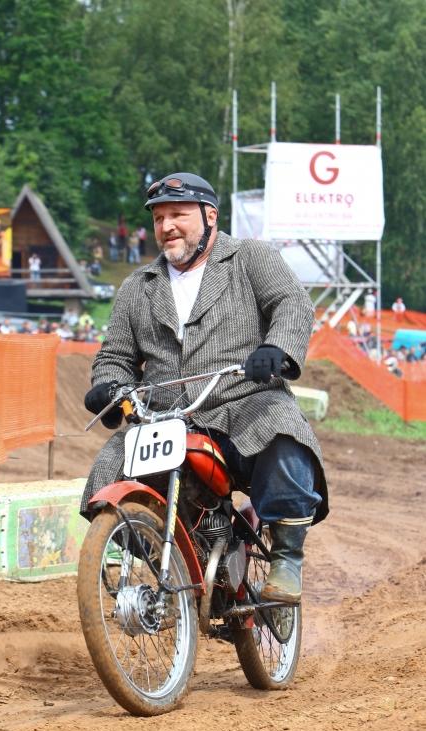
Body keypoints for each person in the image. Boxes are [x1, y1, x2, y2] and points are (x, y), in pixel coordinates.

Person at [82, 171, 328, 604]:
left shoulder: (250, 257)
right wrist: (108, 385)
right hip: (166, 417)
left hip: (244, 401)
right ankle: (176, 564)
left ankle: (287, 559)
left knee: (283, 433)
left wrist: (275, 348)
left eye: (178, 214)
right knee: (110, 471)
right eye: (159, 218)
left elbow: (292, 303)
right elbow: (115, 355)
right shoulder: (138, 287)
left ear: (209, 215)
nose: (166, 226)